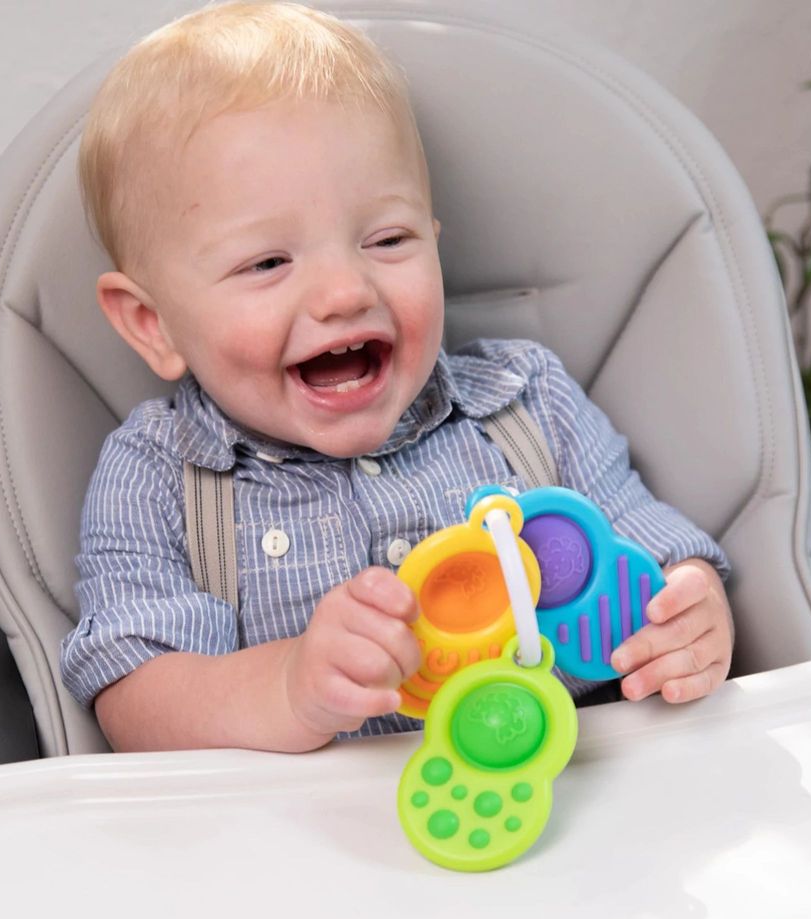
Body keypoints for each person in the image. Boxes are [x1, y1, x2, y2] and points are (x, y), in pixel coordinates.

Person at [61, 0, 735, 754]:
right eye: (268, 262)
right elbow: (134, 703)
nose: (344, 292)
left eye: (386, 240)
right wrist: (287, 687)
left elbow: (654, 564)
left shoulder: (526, 402)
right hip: (300, 827)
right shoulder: (158, 475)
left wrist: (689, 618)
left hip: (576, 787)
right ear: (151, 323)